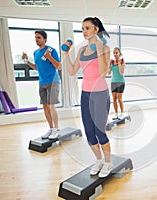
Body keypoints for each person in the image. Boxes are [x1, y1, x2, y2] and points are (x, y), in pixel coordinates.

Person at [64, 17, 112, 178]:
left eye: (87, 28)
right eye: (83, 28)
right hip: (86, 94)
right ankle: (98, 160)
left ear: (96, 29)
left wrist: (98, 48)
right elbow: (72, 71)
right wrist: (66, 54)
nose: (84, 31)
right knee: (89, 133)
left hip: (100, 93)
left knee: (100, 131)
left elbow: (103, 72)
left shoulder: (104, 48)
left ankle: (108, 162)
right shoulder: (81, 50)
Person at [22, 30, 61, 139]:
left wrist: (49, 57)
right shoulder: (36, 53)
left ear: (45, 39)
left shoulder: (51, 50)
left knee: (51, 106)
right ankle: (51, 128)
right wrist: (27, 61)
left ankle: (56, 129)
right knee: (45, 107)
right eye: (35, 37)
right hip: (42, 82)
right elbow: (37, 68)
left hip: (53, 81)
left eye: (39, 37)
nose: (36, 39)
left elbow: (59, 66)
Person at [107, 47, 125, 119]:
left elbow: (121, 73)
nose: (115, 54)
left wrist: (119, 64)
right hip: (113, 82)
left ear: (119, 53)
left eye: (116, 52)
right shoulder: (112, 62)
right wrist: (109, 65)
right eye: (114, 53)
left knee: (119, 98)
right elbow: (109, 73)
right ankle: (116, 113)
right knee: (114, 98)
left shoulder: (122, 61)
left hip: (121, 82)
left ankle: (122, 113)